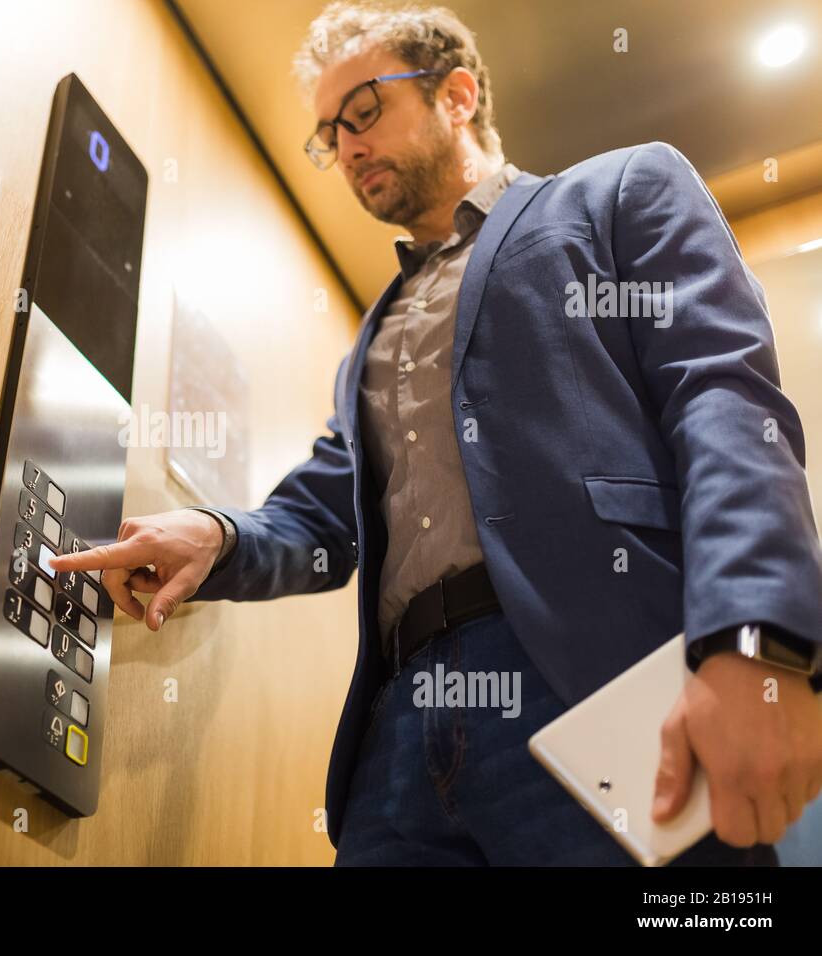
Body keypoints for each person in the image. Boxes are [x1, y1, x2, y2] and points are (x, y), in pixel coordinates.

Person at [49, 1, 822, 865]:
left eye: (364, 111)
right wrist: (219, 534)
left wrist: (758, 640)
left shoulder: (623, 189)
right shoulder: (370, 340)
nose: (345, 147)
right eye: (328, 133)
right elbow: (320, 516)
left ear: (457, 95)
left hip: (596, 680)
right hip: (397, 743)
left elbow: (725, 401)